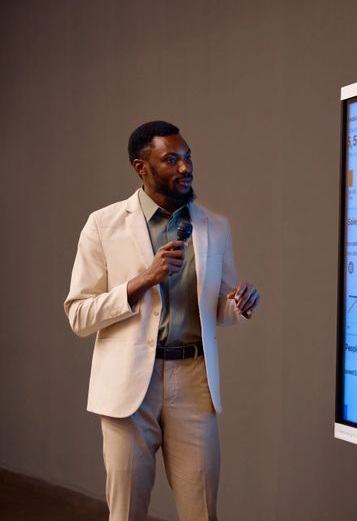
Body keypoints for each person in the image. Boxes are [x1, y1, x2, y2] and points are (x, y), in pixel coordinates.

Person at [64, 120, 260, 521]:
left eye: (187, 157)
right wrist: (141, 282)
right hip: (127, 388)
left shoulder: (214, 227)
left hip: (193, 381)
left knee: (202, 512)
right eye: (171, 159)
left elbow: (218, 307)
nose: (185, 168)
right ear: (141, 167)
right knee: (126, 514)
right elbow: (79, 315)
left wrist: (238, 306)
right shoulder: (102, 226)